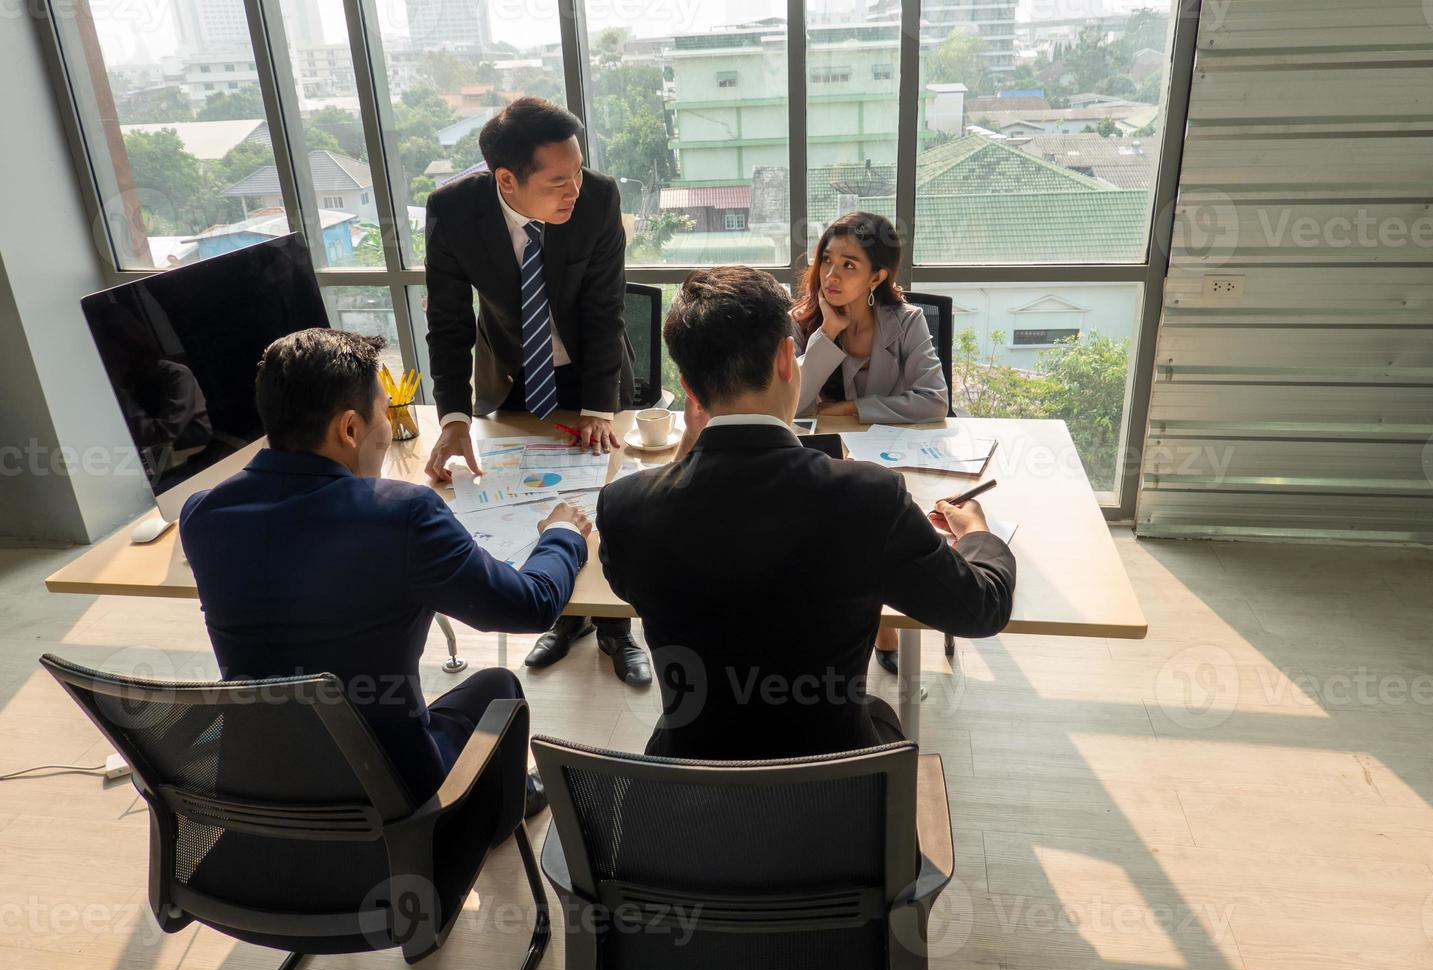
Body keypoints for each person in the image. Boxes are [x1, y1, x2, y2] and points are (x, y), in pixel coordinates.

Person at [597, 267, 1015, 761]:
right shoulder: (868, 499)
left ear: (689, 388)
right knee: (881, 713)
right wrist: (976, 532)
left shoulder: (625, 509)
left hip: (692, 789)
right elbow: (982, 609)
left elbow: (638, 580)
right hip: (833, 784)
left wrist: (689, 446)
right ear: (784, 359)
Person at [181, 329, 592, 818]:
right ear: (350, 429)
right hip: (391, 797)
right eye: (384, 414)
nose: (386, 429)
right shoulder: (403, 515)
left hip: (262, 789)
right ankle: (499, 811)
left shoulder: (202, 514)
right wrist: (563, 534)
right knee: (498, 686)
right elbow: (531, 605)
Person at [421, 95, 649, 686]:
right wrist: (452, 417)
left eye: (577, 173)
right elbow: (448, 323)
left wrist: (600, 406)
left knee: (602, 497)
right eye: (558, 181)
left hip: (597, 375)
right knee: (533, 495)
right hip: (519, 374)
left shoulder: (597, 197)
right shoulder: (452, 211)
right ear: (507, 179)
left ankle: (618, 628)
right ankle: (561, 615)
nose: (574, 188)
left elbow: (605, 310)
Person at [789, 211, 950, 674]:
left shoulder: (906, 322)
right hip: (822, 464)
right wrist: (828, 335)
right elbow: (793, 406)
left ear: (878, 276)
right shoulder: (800, 323)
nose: (831, 275)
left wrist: (856, 408)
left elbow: (933, 401)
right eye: (827, 261)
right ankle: (858, 619)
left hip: (891, 461)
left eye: (849, 265)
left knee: (872, 527)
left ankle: (875, 618)